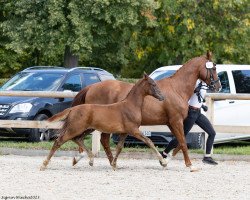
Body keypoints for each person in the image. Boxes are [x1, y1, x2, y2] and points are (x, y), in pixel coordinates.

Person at [161, 80, 218, 165]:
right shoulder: (194, 82)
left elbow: (198, 97)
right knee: (181, 137)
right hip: (190, 112)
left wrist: (202, 105)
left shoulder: (204, 83)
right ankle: (164, 154)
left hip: (198, 113)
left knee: (212, 133)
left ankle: (207, 157)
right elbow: (185, 96)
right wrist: (194, 90)